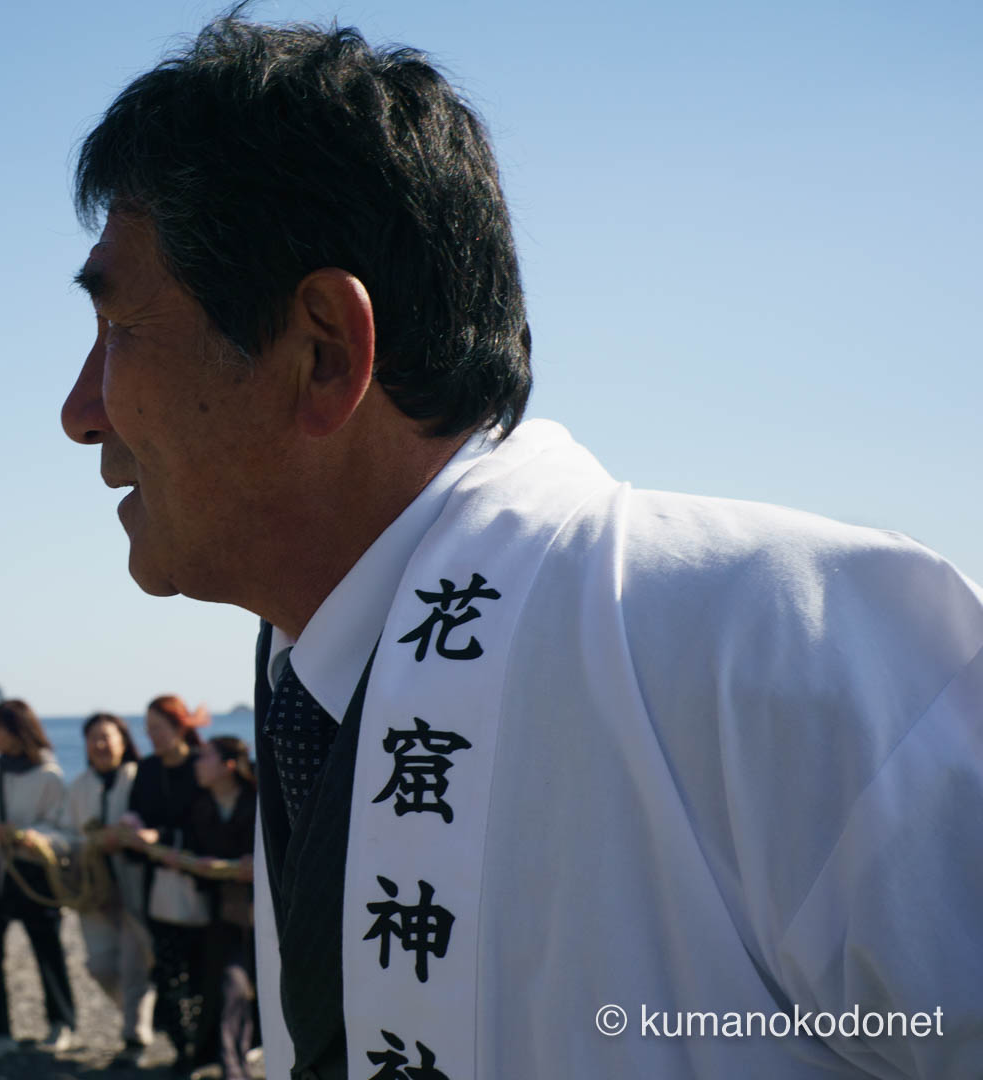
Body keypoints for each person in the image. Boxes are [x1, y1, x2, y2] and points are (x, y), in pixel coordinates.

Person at [58, 16, 983, 1079]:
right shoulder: (307, 667)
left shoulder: (790, 639)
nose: (82, 411)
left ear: (323, 351)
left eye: (121, 328)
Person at [0, 699, 75, 1060]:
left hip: (35, 875)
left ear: (16, 731)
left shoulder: (49, 775)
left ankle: (61, 1023)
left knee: (48, 951)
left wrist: (27, 835)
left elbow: (62, 828)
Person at [58, 712, 156, 1068]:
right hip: (93, 890)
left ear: (123, 740)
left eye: (107, 737)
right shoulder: (81, 784)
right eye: (93, 738)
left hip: (134, 886)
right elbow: (67, 832)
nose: (100, 744)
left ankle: (135, 1037)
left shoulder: (138, 777)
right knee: (99, 964)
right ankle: (139, 1014)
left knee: (135, 965)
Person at [120, 695, 212, 1074]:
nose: (152, 736)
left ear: (180, 727)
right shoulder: (147, 769)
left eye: (158, 728)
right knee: (169, 972)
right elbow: (138, 813)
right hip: (158, 887)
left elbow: (212, 824)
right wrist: (131, 828)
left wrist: (163, 837)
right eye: (148, 729)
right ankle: (183, 1051)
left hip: (207, 886)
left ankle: (210, 1047)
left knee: (208, 972)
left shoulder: (202, 765)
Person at [183, 736, 259, 1080]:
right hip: (220, 914)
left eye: (206, 757)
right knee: (228, 986)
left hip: (264, 917)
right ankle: (230, 1065)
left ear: (229, 765)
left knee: (242, 987)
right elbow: (189, 850)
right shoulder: (200, 805)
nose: (197, 763)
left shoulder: (258, 801)